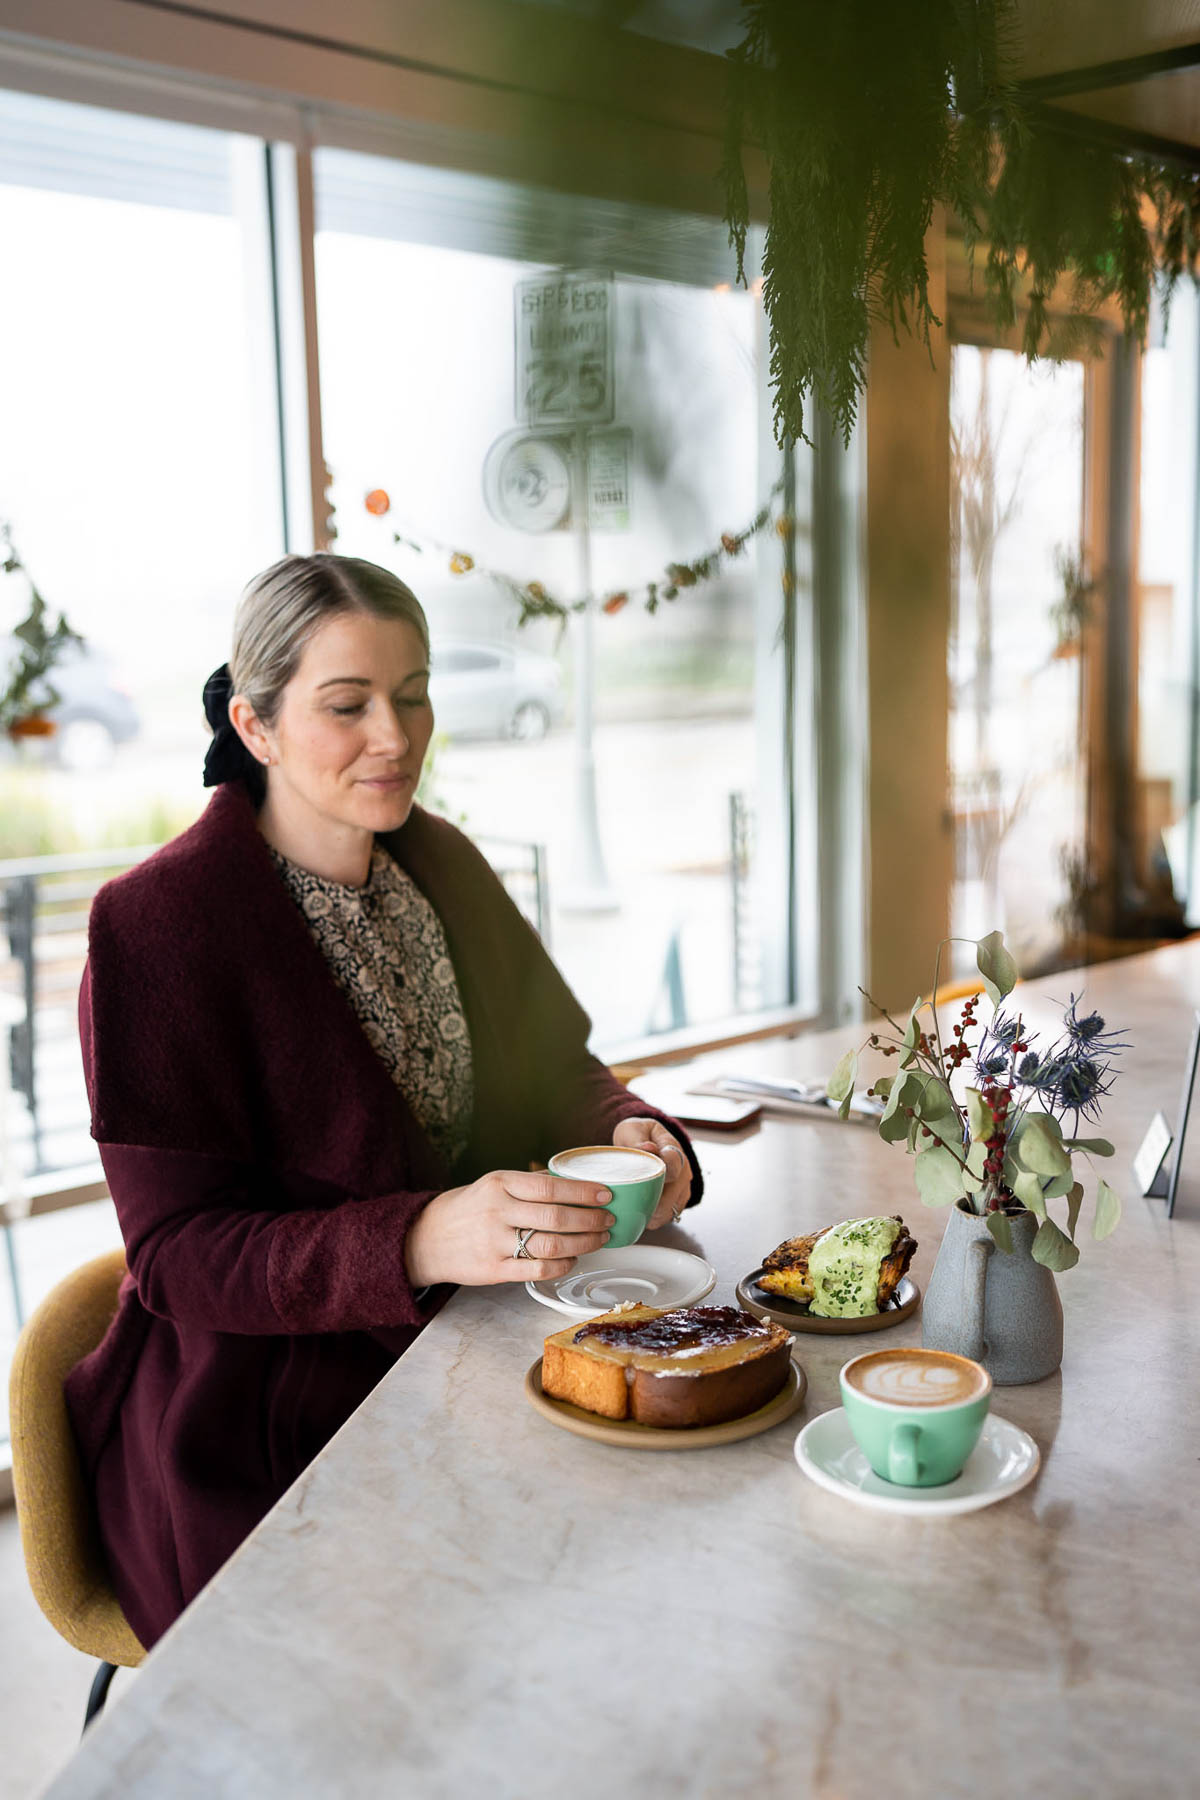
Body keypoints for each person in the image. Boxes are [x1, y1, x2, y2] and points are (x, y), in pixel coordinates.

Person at [66, 553, 701, 1648]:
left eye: (412, 695)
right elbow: (177, 1256)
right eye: (347, 705)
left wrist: (625, 1128)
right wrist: (415, 1239)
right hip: (266, 1427)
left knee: (650, 1582)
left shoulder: (440, 862)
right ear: (254, 724)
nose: (397, 737)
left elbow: (559, 1068)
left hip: (474, 1363)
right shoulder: (156, 927)